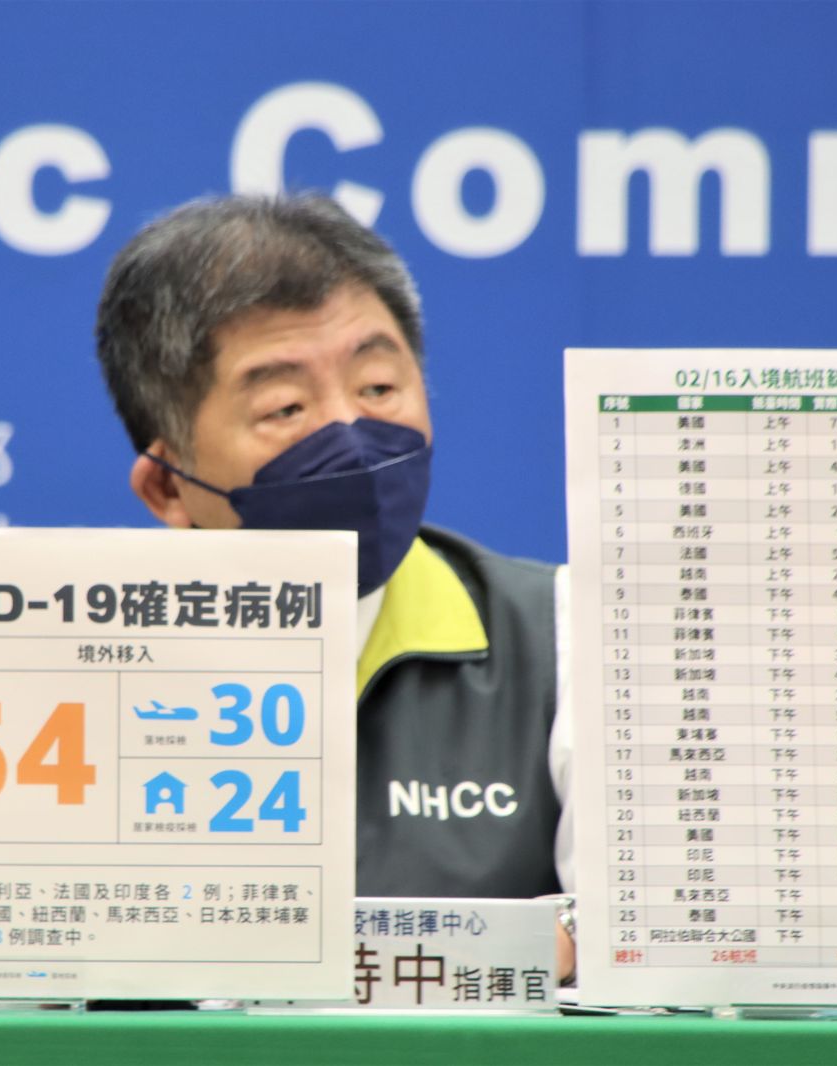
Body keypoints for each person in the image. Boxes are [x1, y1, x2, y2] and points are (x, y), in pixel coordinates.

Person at [94, 193, 574, 977]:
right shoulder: (76, 669)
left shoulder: (569, 636)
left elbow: (649, 943)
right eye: (285, 406)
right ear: (168, 488)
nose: (350, 438)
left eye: (378, 388)